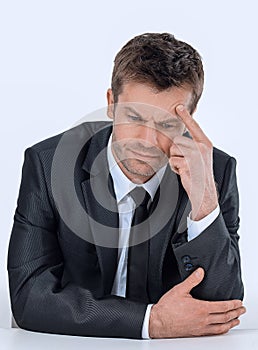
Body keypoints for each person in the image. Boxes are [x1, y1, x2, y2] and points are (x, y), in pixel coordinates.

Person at [7, 32, 246, 339]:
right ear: (111, 103)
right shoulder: (49, 164)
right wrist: (150, 322)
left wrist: (204, 201)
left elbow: (223, 307)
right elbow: (28, 298)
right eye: (134, 116)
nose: (146, 142)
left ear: (190, 119)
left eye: (167, 124)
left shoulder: (217, 171)